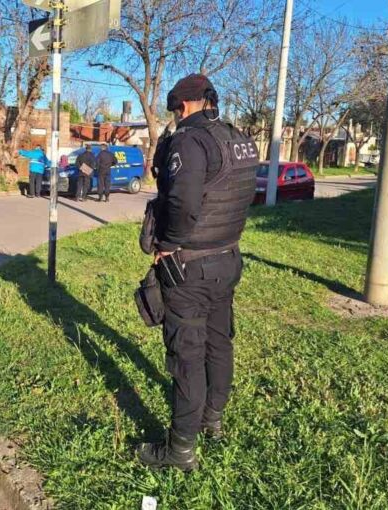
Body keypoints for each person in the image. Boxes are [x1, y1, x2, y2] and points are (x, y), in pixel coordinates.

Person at [136, 74, 258, 471]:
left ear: (184, 104)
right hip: (228, 258)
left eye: (175, 110)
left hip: (189, 267)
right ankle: (213, 421)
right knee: (219, 343)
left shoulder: (189, 140)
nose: (174, 117)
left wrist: (168, 244)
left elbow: (183, 204)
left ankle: (180, 451)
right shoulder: (237, 138)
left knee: (186, 356)